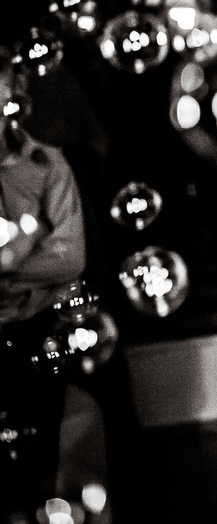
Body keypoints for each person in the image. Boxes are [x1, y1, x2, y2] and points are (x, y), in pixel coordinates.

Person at [0, 45, 89, 521]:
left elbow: (71, 257)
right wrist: (27, 250)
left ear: (13, 93)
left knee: (40, 456)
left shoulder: (48, 163)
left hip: (35, 329)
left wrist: (6, 260)